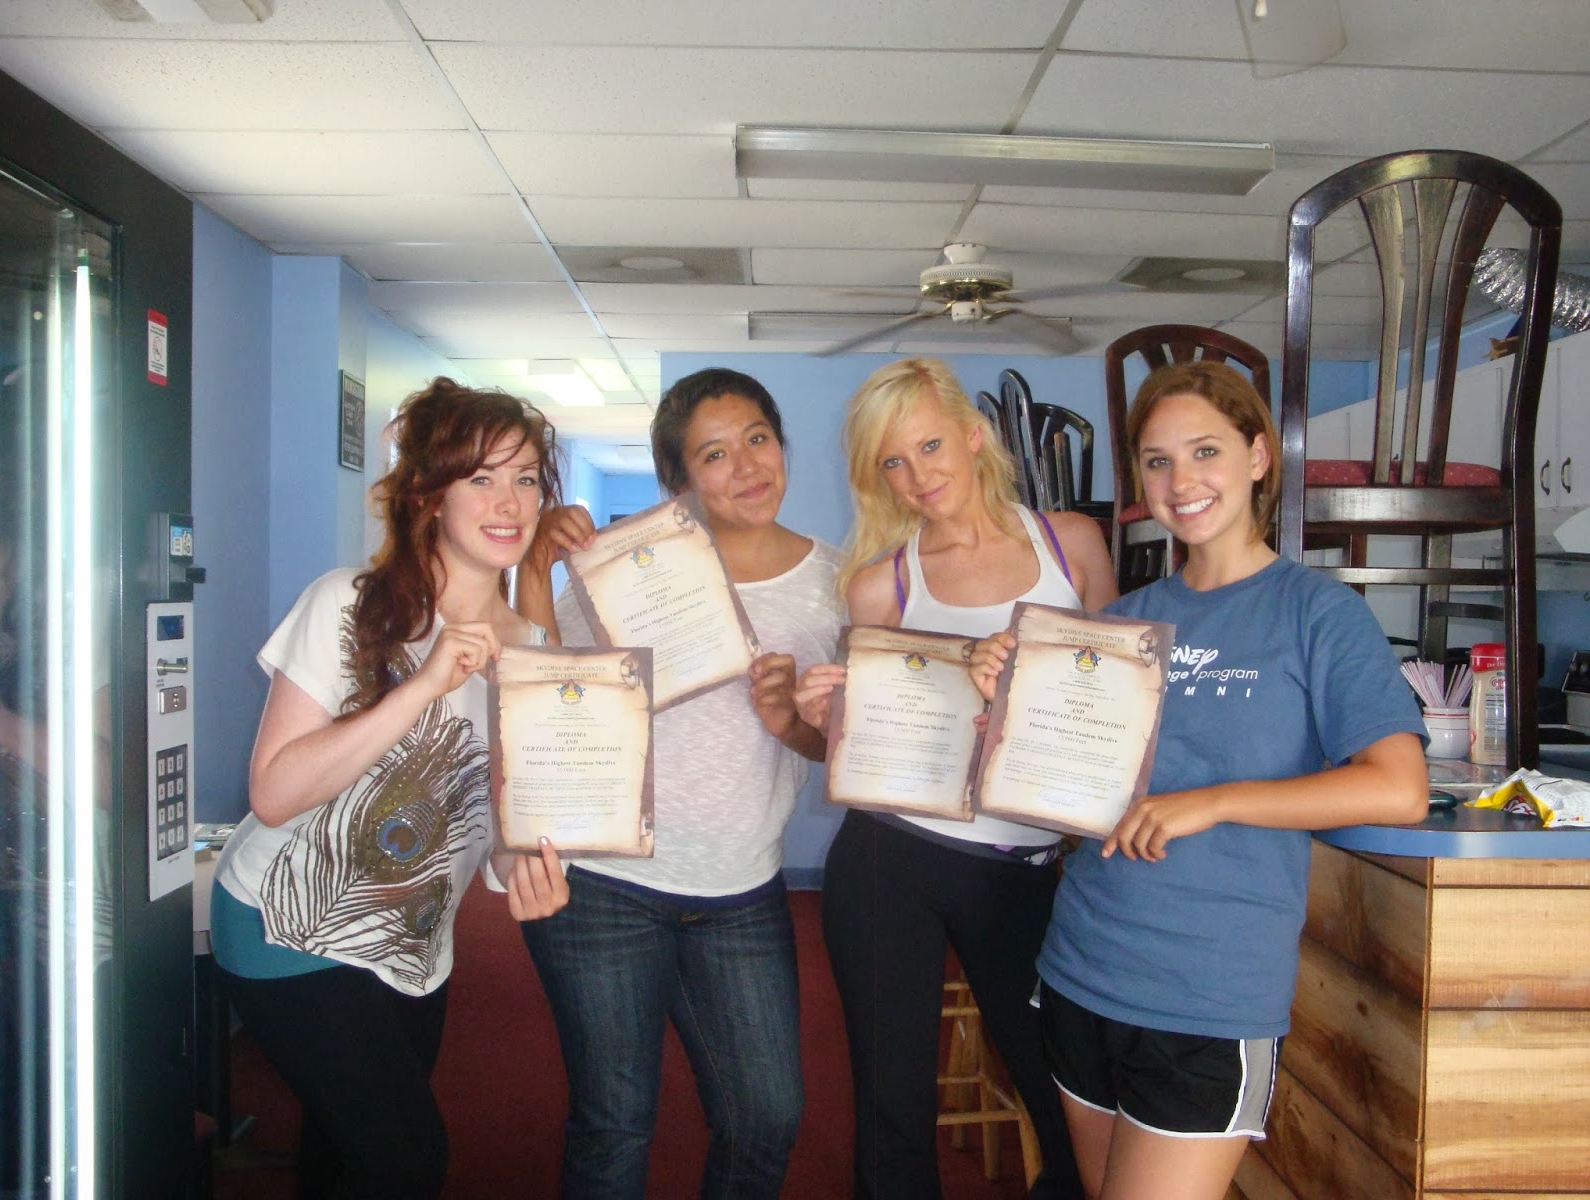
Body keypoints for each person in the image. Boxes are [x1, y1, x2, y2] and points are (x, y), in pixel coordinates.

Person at [968, 361, 1428, 1200]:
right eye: (1158, 461)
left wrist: (1211, 804)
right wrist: (1003, 698)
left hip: (1208, 998)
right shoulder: (1122, 624)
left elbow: (1399, 787)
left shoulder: (1319, 613)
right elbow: (1058, 798)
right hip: (1083, 967)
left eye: (1205, 451)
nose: (1181, 482)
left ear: (1258, 456)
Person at [209, 377, 572, 1200]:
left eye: (525, 478)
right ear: (428, 495)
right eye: (480, 477)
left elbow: (501, 822)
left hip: (414, 949)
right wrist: (423, 686)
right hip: (286, 922)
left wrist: (528, 868)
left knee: (347, 1153)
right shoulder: (348, 603)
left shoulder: (535, 653)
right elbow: (272, 791)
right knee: (407, 1160)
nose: (509, 501)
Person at [514, 368, 842, 1200]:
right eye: (715, 454)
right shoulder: (627, 567)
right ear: (679, 478)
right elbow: (548, 687)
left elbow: (832, 747)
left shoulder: (836, 583)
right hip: (605, 882)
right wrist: (536, 570)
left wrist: (789, 722)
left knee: (767, 1116)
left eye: (758, 439)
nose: (747, 466)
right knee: (614, 1123)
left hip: (741, 886)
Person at [792, 357, 1114, 1200]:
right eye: (893, 462)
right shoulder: (879, 585)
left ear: (974, 436)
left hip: (1023, 866)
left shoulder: (1073, 546)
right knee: (892, 1108)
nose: (918, 476)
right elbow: (864, 747)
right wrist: (828, 719)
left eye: (930, 446)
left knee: (1066, 1096)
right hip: (890, 858)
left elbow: (1115, 704)